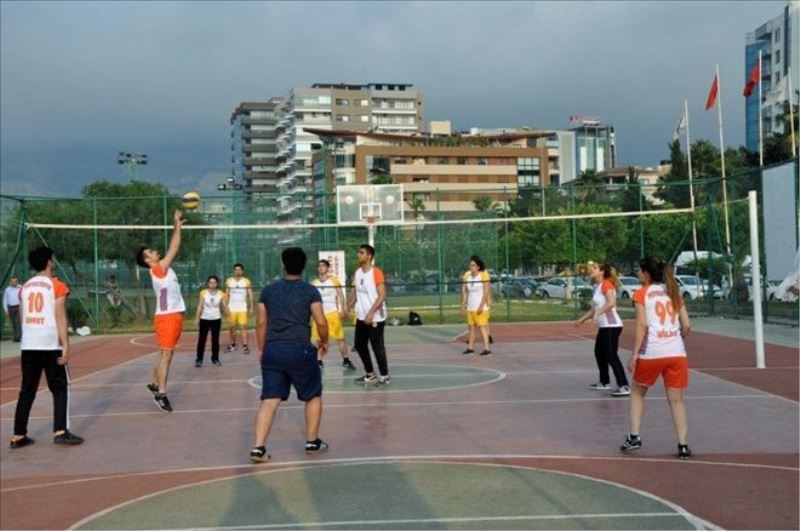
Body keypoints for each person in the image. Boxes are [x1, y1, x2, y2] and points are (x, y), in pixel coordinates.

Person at [250, 247, 329, 463]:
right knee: (312, 395)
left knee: (270, 399)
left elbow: (261, 323)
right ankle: (312, 441)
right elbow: (321, 321)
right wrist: (324, 340)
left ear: (283, 265)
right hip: (299, 349)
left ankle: (258, 447)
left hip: (273, 350)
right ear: (304, 266)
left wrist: (262, 349)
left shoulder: (268, 291)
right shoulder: (310, 291)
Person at [10, 246, 84, 449]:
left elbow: (23, 316)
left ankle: (18, 435)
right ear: (49, 262)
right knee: (59, 388)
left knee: (27, 390)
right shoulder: (57, 286)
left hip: (29, 345)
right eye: (53, 258)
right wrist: (66, 345)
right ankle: (60, 431)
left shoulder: (25, 287)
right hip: (50, 345)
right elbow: (60, 317)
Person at [621, 256, 692, 460]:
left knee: (637, 393)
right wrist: (676, 338)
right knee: (676, 401)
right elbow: (687, 325)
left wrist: (634, 354)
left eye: (639, 270)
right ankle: (683, 445)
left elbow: (642, 325)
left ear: (646, 274)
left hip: (652, 352)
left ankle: (634, 437)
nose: (637, 273)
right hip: (676, 353)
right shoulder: (673, 292)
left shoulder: (642, 294)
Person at [136, 209, 187, 413]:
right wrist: (177, 226)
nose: (155, 251)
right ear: (148, 260)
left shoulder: (164, 269)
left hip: (173, 316)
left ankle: (155, 383)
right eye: (150, 251)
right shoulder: (158, 269)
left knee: (166, 353)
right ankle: (161, 393)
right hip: (167, 318)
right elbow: (175, 247)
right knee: (166, 354)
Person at [575, 262, 630, 397]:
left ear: (601, 272)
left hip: (612, 325)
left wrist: (599, 313)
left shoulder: (607, 284)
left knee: (611, 355)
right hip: (605, 326)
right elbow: (595, 308)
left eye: (594, 268)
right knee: (599, 352)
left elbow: (611, 303)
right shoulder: (598, 286)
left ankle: (624, 385)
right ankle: (605, 382)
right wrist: (582, 319)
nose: (591, 270)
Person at [347, 244, 390, 385]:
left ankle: (385, 376)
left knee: (377, 347)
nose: (358, 255)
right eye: (358, 252)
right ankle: (370, 374)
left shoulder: (376, 272)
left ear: (369, 256)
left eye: (361, 252)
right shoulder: (358, 272)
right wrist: (348, 307)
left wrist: (371, 313)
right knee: (360, 345)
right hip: (362, 316)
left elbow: (382, 295)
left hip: (375, 316)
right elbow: (356, 292)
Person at [311, 259, 356, 370]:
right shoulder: (314, 283)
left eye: (323, 266)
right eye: (319, 266)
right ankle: (318, 361)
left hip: (332, 314)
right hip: (319, 315)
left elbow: (341, 296)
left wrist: (344, 309)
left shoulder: (334, 281)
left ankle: (346, 360)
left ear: (327, 268)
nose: (320, 268)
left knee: (340, 338)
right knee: (317, 339)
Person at [194, 275, 228, 367]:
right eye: (211, 282)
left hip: (216, 319)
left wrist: (229, 316)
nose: (212, 284)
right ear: (208, 283)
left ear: (217, 284)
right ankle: (199, 359)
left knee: (215, 340)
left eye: (214, 283)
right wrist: (197, 318)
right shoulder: (203, 293)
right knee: (202, 339)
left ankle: (215, 358)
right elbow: (200, 306)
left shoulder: (221, 294)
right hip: (204, 319)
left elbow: (224, 306)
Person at [461, 256, 492, 356]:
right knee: (471, 328)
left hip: (480, 307)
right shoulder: (468, 276)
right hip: (471, 307)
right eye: (470, 265)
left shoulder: (483, 275)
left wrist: (481, 306)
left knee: (482, 327)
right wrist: (463, 305)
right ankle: (470, 348)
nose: (471, 267)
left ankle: (487, 349)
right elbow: (466, 292)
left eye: (473, 265)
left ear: (478, 267)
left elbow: (486, 292)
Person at [225, 263, 254, 355]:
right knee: (231, 327)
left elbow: (250, 295)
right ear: (234, 271)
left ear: (242, 271)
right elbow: (227, 295)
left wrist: (251, 307)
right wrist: (225, 307)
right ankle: (233, 344)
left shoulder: (246, 281)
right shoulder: (229, 281)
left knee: (243, 327)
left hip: (242, 308)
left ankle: (245, 346)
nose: (238, 271)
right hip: (231, 308)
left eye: (239, 269)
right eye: (236, 269)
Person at [3, 275, 22, 342]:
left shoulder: (20, 287)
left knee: (17, 322)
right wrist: (6, 310)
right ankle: (16, 336)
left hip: (18, 307)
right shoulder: (7, 289)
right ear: (10, 282)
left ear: (17, 281)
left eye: (15, 281)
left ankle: (18, 337)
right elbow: (5, 300)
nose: (14, 282)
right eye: (12, 281)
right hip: (10, 308)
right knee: (13, 322)